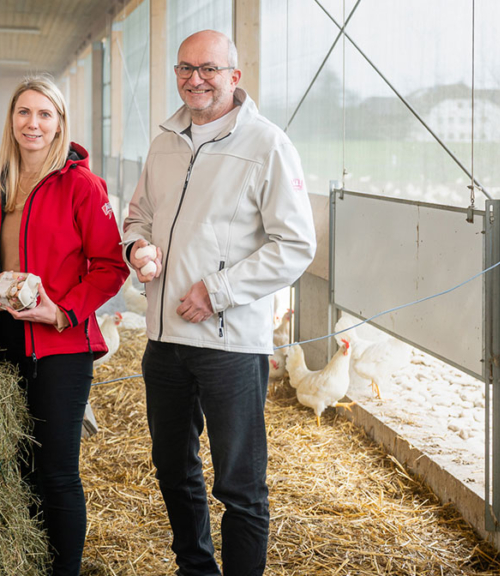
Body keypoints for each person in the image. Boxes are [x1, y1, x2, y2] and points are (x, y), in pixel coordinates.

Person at [122, 30, 316, 576]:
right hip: (164, 340)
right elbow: (138, 215)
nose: (196, 79)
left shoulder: (267, 145)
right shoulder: (165, 141)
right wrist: (136, 247)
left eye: (208, 68)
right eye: (185, 68)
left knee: (239, 484)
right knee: (172, 467)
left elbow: (296, 244)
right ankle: (196, 567)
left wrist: (218, 291)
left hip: (229, 345)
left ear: (234, 76)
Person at [0, 76, 129, 576]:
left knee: (56, 471)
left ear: (59, 124)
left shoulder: (82, 186)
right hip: (2, 342)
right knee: (17, 465)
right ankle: (30, 563)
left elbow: (110, 266)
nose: (32, 124)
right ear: (11, 121)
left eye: (44, 114)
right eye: (24, 113)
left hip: (60, 346)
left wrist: (60, 311)